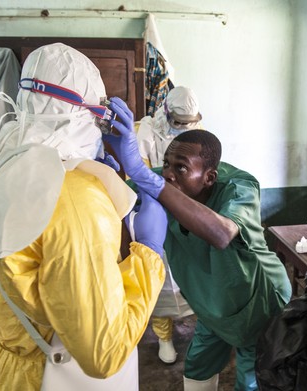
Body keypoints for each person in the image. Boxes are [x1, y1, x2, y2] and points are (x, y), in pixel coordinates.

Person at [0, 43, 167, 391]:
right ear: (85, 115)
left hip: (9, 364)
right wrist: (150, 255)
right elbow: (103, 353)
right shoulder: (76, 198)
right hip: (60, 373)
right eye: (100, 116)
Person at [103, 104, 293, 391]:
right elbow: (118, 194)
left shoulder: (238, 187)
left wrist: (144, 178)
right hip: (211, 306)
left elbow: (221, 233)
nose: (167, 174)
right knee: (197, 369)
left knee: (252, 378)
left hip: (259, 303)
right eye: (166, 164)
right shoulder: (170, 180)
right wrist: (101, 167)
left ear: (209, 178)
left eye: (180, 167)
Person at [135, 86, 202, 364]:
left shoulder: (202, 134)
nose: (184, 128)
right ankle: (164, 337)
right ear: (166, 113)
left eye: (189, 124)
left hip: (189, 211)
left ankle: (199, 330)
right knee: (161, 276)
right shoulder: (148, 132)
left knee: (193, 276)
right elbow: (138, 171)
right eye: (179, 123)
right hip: (158, 211)